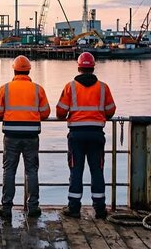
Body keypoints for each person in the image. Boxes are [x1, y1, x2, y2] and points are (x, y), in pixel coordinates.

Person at [56, 52, 116, 219]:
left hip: (76, 135)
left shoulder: (70, 87)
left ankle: (74, 208)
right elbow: (110, 110)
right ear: (93, 67)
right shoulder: (103, 87)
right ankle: (100, 209)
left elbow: (60, 112)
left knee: (76, 171)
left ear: (79, 67)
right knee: (97, 171)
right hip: (96, 135)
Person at [0, 55, 50, 219]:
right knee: (32, 171)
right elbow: (46, 113)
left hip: (11, 135)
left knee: (9, 171)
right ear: (29, 71)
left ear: (14, 69)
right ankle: (33, 207)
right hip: (31, 135)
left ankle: (6, 208)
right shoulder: (38, 89)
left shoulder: (5, 88)